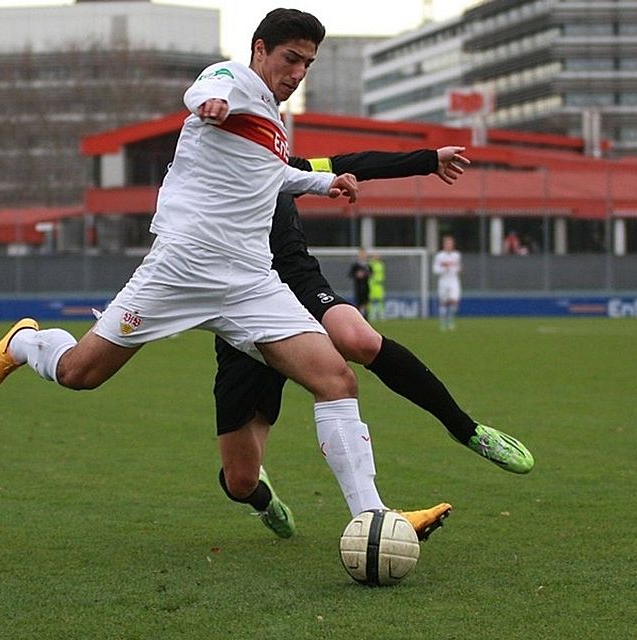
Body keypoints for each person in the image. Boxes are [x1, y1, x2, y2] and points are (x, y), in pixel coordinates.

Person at [0, 9, 449, 539]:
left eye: (308, 64)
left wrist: (327, 183)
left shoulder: (272, 121)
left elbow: (269, 176)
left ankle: (373, 519)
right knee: (79, 374)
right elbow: (204, 89)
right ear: (260, 49)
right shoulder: (233, 81)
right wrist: (209, 103)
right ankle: (27, 344)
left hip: (250, 282)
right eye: (290, 59)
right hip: (182, 269)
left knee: (336, 379)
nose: (296, 73)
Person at [214, 147, 534, 540]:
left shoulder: (285, 166)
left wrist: (428, 160)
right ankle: (263, 501)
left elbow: (352, 165)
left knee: (358, 338)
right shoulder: (207, 177)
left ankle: (466, 430)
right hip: (243, 310)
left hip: (296, 282)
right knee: (239, 481)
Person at [432, 234, 462, 331]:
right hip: (443, 281)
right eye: (447, 243)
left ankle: (450, 320)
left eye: (450, 243)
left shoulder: (456, 255)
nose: (449, 245)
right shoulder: (439, 256)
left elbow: (459, 268)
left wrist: (454, 267)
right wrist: (444, 267)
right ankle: (443, 323)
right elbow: (435, 270)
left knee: (454, 300)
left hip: (453, 280)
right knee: (444, 302)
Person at [348, 248, 370, 317]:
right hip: (358, 287)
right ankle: (360, 316)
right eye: (361, 254)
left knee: (366, 302)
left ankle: (365, 317)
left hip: (366, 287)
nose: (362, 255)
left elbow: (371, 273)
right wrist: (356, 275)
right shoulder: (355, 265)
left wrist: (366, 274)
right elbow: (350, 274)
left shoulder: (367, 265)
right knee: (359, 303)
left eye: (363, 254)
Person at [367, 252, 386, 321]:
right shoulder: (370, 264)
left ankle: (381, 315)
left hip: (379, 285)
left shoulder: (381, 264)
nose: (377, 257)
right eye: (376, 256)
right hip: (372, 285)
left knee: (380, 301)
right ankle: (372, 315)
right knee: (372, 301)